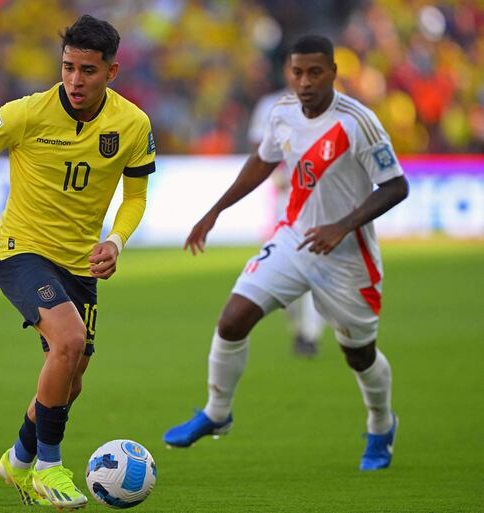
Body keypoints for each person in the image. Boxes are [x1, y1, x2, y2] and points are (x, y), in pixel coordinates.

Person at [163, 35, 408, 471]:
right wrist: (215, 211)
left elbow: (396, 185)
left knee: (359, 354)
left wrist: (342, 226)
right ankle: (217, 413)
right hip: (294, 238)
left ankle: (380, 423)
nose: (305, 81)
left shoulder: (358, 121)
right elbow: (262, 160)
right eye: (297, 72)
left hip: (348, 255)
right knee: (233, 319)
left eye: (315, 72)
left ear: (333, 71)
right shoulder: (281, 113)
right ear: (288, 73)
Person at [0, 14, 155, 509]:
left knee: (71, 375)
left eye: (88, 70)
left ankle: (17, 459)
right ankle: (49, 470)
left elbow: (137, 195)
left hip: (80, 262)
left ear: (112, 72)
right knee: (69, 340)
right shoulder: (27, 113)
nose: (75, 81)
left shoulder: (132, 124)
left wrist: (117, 241)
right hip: (22, 251)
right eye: (68, 68)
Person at [247, 54, 327, 357]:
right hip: (285, 199)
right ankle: (300, 327)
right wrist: (274, 173)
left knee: (311, 265)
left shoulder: (325, 104)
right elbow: (258, 147)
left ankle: (309, 333)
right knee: (285, 268)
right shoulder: (270, 106)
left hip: (318, 195)